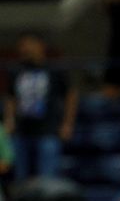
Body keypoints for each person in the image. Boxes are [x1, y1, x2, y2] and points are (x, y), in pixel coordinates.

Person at [3, 32, 78, 181]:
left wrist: (67, 123)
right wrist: (9, 120)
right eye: (22, 46)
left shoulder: (54, 70)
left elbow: (71, 95)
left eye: (29, 45)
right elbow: (10, 98)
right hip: (21, 132)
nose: (25, 49)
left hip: (48, 131)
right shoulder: (16, 71)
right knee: (20, 177)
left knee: (47, 178)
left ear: (40, 46)